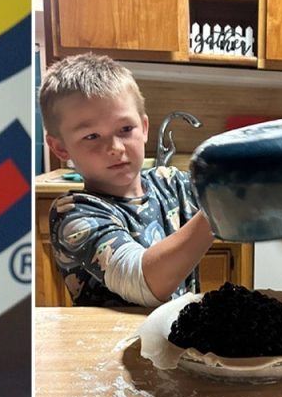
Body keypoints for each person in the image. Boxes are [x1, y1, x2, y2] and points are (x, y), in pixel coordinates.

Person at [39, 53, 215, 306]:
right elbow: (142, 282)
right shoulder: (73, 214)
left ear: (144, 128)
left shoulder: (171, 183)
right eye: (91, 136)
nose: (115, 148)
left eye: (125, 129)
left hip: (175, 342)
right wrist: (217, 208)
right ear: (60, 148)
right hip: (112, 345)